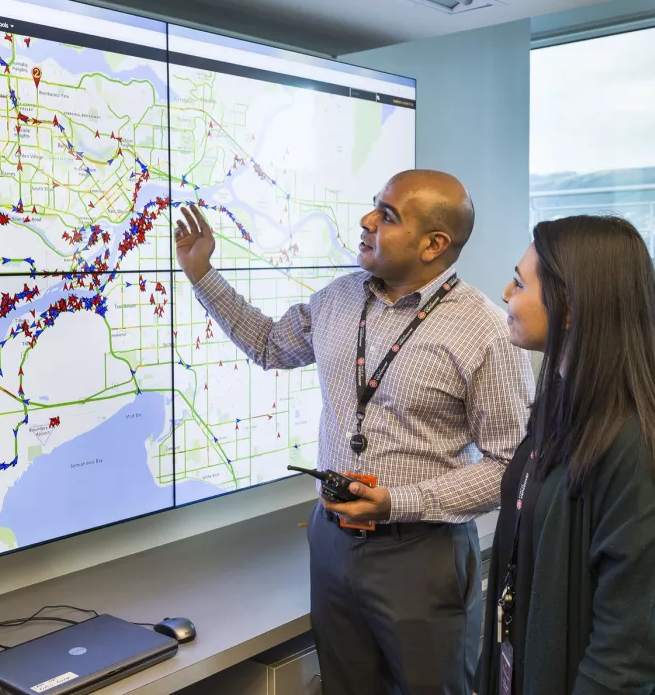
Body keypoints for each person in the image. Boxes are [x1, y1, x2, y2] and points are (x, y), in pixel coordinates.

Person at [174, 170, 535, 695]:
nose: (366, 221)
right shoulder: (339, 300)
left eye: (387, 215)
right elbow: (271, 345)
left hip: (421, 550)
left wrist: (397, 502)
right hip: (332, 541)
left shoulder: (485, 331)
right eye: (373, 206)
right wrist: (202, 273)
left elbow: (510, 469)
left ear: (434, 244)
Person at [477, 215, 655, 695]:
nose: (505, 292)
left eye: (521, 283)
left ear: (569, 307)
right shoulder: (563, 410)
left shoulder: (644, 449)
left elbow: (627, 654)